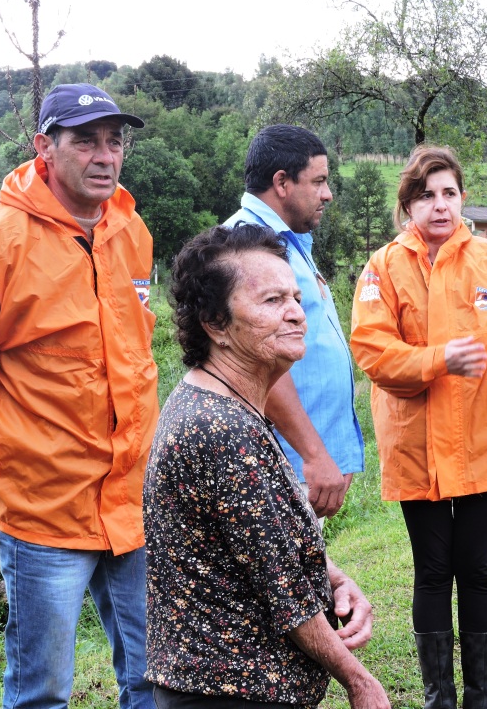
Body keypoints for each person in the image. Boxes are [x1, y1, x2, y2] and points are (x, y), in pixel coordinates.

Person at [0, 83, 158, 709]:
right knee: (42, 692)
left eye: (115, 141)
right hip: (43, 512)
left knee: (155, 680)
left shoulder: (131, 231)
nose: (106, 156)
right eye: (86, 141)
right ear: (44, 148)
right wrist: (9, 461)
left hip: (131, 502)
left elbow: (137, 354)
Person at [143, 223, 389, 709]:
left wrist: (334, 578)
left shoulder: (229, 405)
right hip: (227, 691)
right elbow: (285, 593)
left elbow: (261, 544)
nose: (296, 314)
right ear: (216, 323)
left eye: (296, 298)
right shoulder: (220, 429)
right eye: (272, 301)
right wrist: (359, 681)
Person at [349, 145, 487, 709]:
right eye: (426, 195)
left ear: (462, 198)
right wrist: (439, 359)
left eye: (448, 193)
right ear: (408, 206)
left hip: (485, 443)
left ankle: (481, 700)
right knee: (433, 571)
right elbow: (372, 351)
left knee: (479, 569)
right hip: (416, 446)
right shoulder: (383, 267)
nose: (439, 206)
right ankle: (438, 698)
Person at [222, 125, 363, 519]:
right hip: (280, 466)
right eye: (318, 181)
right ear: (281, 183)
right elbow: (261, 361)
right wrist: (314, 454)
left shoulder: (285, 241)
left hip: (296, 465)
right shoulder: (246, 247)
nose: (327, 194)